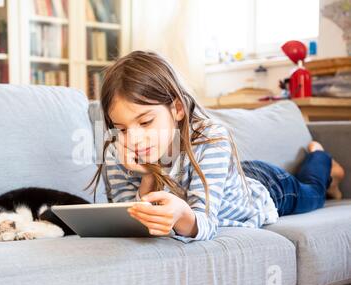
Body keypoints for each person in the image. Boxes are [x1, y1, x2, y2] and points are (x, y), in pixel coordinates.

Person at [86, 51, 346, 243]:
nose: (133, 139)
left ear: (176, 109)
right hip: (223, 179)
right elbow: (135, 222)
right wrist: (148, 179)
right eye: (121, 128)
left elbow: (205, 224)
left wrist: (183, 215)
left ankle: (322, 160)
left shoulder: (211, 138)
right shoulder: (117, 151)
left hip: (266, 187)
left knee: (312, 191)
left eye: (145, 122)